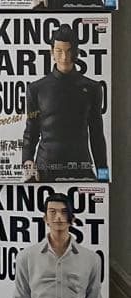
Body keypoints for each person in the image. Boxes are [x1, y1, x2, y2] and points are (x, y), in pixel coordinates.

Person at [10, 191, 107, 298]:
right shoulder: (26, 257)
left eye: (64, 212)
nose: (59, 217)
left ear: (72, 218)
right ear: (45, 218)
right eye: (52, 212)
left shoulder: (92, 259)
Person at [21, 23, 108, 181]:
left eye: (69, 51)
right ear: (51, 52)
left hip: (81, 169)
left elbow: (97, 135)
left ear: (76, 52)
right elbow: (31, 130)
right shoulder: (36, 89)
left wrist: (104, 176)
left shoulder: (92, 88)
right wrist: (27, 163)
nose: (64, 57)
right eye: (59, 51)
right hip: (45, 170)